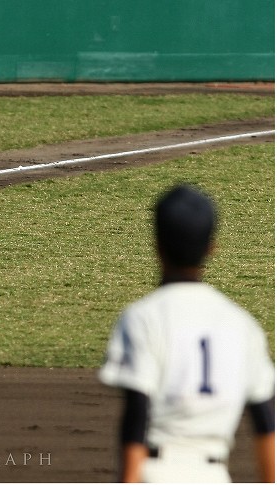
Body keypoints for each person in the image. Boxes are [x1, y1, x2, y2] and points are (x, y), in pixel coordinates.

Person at [98, 184, 274, 483]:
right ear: (212, 247)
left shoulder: (144, 317)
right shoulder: (242, 324)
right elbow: (267, 424)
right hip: (215, 475)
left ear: (157, 244)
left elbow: (136, 417)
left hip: (156, 472)